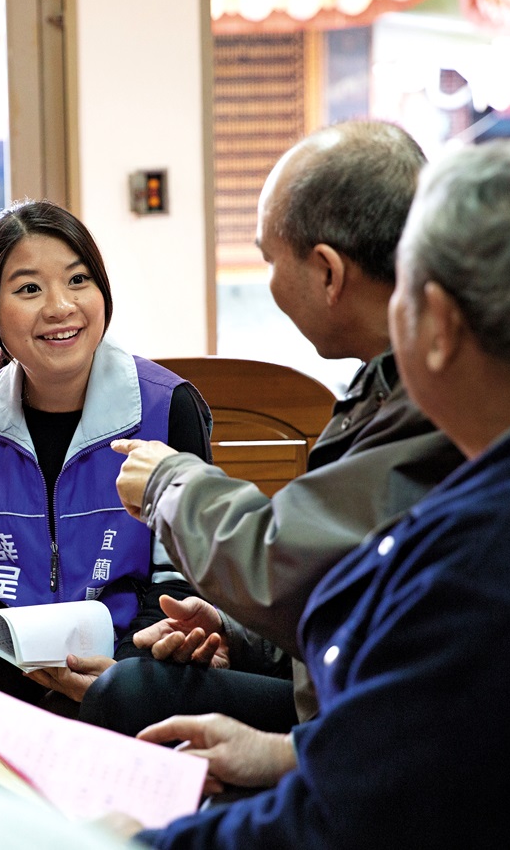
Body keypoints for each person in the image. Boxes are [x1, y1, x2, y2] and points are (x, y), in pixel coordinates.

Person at [128, 139, 510, 847]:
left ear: (440, 325)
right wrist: (291, 753)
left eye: (404, 299)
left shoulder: (487, 572)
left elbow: (341, 823)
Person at [81, 120, 463, 749]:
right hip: (348, 692)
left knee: (131, 697)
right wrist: (241, 634)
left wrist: (168, 482)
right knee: (135, 689)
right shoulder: (389, 373)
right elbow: (343, 572)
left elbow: (290, 564)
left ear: (329, 273)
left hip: (382, 725)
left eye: (267, 257)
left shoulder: (434, 391)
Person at [0, 198, 218, 710]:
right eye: (28, 289)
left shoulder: (166, 407)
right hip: (15, 672)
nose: (60, 306)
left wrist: (120, 674)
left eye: (78, 280)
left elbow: (180, 581)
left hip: (137, 671)